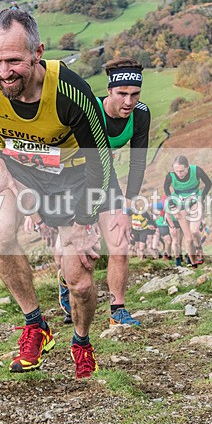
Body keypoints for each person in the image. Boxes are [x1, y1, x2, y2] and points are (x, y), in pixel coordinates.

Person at [0, 8, 124, 379]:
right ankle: (36, 325)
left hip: (75, 180)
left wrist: (84, 222)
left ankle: (81, 343)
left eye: (14, 60)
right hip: (20, 173)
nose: (3, 72)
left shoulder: (69, 92)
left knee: (79, 280)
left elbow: (102, 163)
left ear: (38, 52)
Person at [58, 57, 150, 327]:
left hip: (106, 177)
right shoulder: (91, 109)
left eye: (135, 94)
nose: (128, 102)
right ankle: (68, 284)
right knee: (77, 251)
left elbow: (138, 161)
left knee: (120, 245)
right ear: (109, 91)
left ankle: (117, 310)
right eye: (122, 93)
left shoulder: (140, 114)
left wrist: (127, 206)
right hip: (73, 179)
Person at [163, 155, 212, 266]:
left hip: (195, 202)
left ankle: (199, 248)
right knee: (189, 239)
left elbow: (208, 184)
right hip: (180, 204)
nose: (179, 174)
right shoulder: (170, 176)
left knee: (195, 231)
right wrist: (172, 207)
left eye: (182, 171)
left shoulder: (197, 171)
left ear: (187, 167)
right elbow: (166, 188)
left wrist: (201, 198)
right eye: (177, 171)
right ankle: (194, 264)